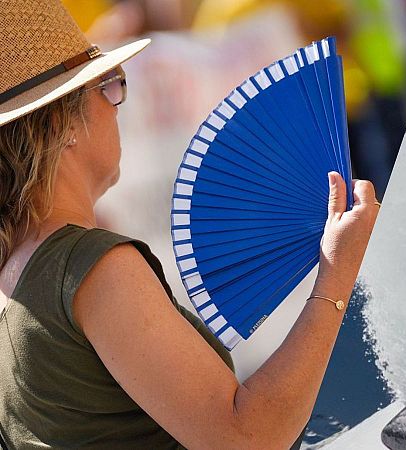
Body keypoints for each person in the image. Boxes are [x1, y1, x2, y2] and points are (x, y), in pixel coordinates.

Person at [0, 1, 379, 448]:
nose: (118, 106)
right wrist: (336, 276)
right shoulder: (94, 269)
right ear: (63, 124)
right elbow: (246, 438)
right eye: (107, 85)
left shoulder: (16, 271)